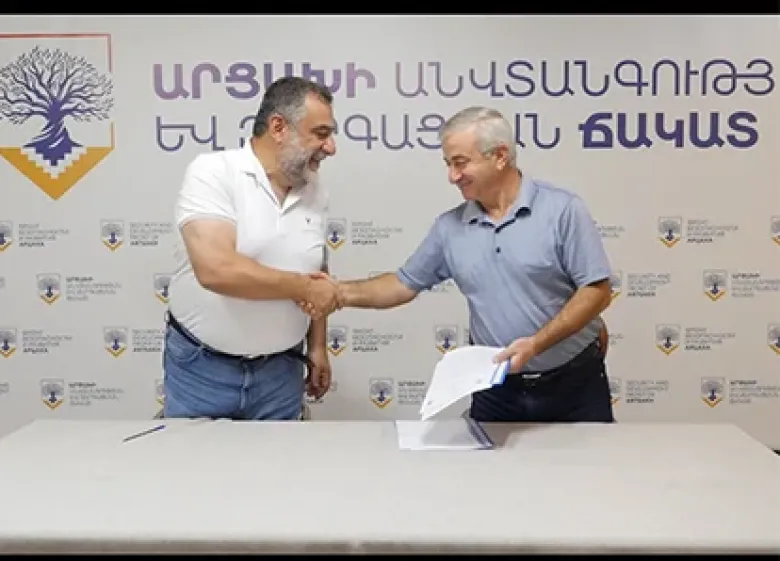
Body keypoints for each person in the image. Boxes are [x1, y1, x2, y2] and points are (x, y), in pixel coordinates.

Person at [302, 106, 614, 423]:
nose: (452, 176)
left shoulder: (563, 210)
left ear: (500, 156)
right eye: (448, 164)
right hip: (495, 388)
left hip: (575, 384)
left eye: (460, 163)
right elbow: (401, 285)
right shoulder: (449, 228)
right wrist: (338, 293)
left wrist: (536, 345)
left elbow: (597, 291)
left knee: (590, 458)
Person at [162, 76, 342, 421]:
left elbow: (316, 269)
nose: (330, 147)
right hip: (202, 371)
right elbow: (216, 270)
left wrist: (318, 345)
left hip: (282, 374)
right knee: (192, 458)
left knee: (279, 459)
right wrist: (304, 288)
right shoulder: (213, 173)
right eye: (321, 133)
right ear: (278, 128)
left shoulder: (315, 190)